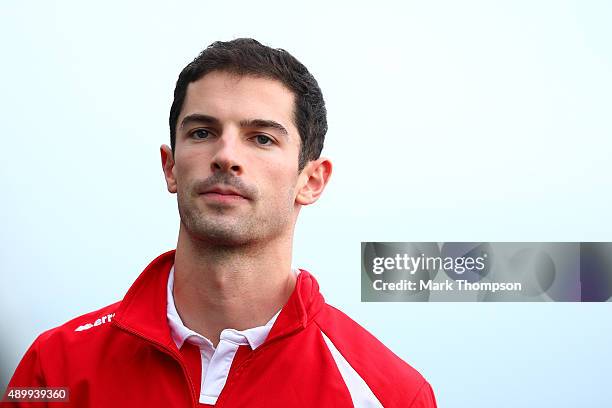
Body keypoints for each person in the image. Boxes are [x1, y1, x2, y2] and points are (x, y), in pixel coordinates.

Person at [4, 38, 437, 407]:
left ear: (311, 180)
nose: (227, 156)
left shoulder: (388, 393)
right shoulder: (55, 367)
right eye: (202, 132)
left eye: (262, 138)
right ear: (171, 167)